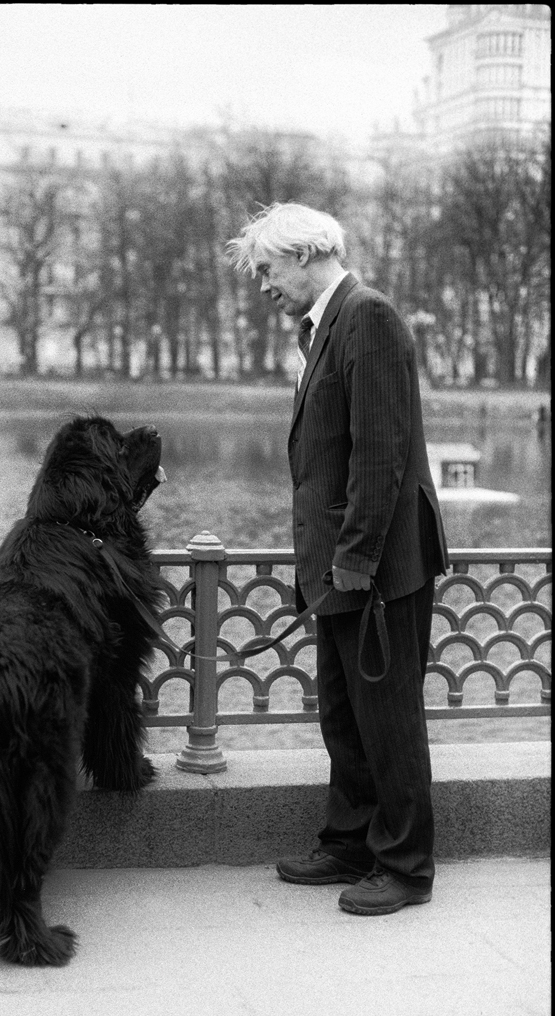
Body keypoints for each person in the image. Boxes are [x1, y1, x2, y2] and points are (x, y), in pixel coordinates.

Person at [227, 201, 449, 916]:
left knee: (387, 719)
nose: (261, 284)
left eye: (265, 268)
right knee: (346, 715)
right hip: (343, 568)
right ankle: (350, 842)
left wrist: (353, 561)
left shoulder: (367, 316)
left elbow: (381, 455)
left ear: (302, 253)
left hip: (377, 567)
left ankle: (406, 867)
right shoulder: (327, 324)